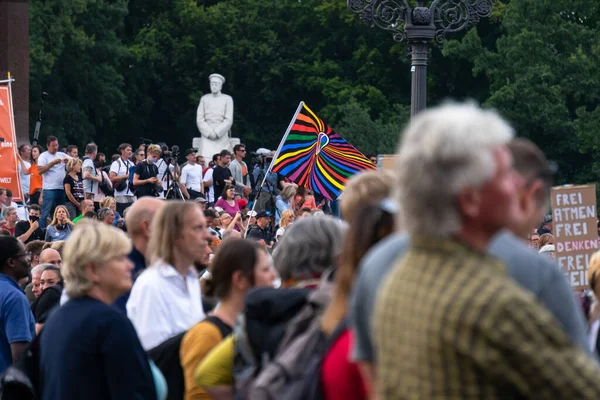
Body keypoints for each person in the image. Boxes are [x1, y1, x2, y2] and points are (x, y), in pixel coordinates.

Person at [369, 103, 600, 399]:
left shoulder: (395, 276)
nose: (518, 183)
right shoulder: (496, 305)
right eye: (505, 173)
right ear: (469, 200)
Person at [39, 222, 159, 400]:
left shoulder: (57, 317)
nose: (130, 266)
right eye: (120, 258)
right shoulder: (110, 323)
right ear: (92, 269)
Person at [182, 239, 275, 400]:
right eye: (265, 270)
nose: (273, 277)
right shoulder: (206, 334)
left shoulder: (253, 325)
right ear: (240, 279)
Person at [127, 201, 209, 350]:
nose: (207, 236)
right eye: (198, 228)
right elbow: (155, 357)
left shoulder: (190, 279)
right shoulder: (151, 286)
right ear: (175, 235)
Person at [113, 197, 165, 313]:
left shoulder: (163, 264)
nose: (172, 230)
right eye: (165, 222)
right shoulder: (121, 274)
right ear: (147, 228)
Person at [0, 236, 35, 374]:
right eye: (25, 255)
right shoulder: (14, 298)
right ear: (11, 262)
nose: (29, 260)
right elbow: (20, 355)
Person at [195, 73, 234, 162]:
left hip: (221, 135)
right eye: (212, 84)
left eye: (216, 84)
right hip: (207, 135)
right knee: (204, 159)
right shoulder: (204, 98)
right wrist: (209, 133)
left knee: (224, 158)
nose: (214, 86)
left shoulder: (227, 99)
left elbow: (228, 119)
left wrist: (217, 133)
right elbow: (200, 119)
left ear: (221, 86)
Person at [37, 136, 70, 229]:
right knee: (45, 212)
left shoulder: (61, 155)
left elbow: (75, 162)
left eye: (57, 145)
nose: (56, 148)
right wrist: (53, 163)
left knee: (63, 212)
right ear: (47, 146)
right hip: (49, 189)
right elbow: (39, 171)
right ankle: (42, 232)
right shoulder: (44, 156)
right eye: (53, 146)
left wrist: (70, 162)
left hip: (61, 188)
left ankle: (62, 230)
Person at [109, 143, 135, 215]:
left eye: (131, 150)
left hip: (131, 193)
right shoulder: (116, 163)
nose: (130, 152)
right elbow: (111, 178)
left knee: (131, 214)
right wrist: (126, 176)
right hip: (120, 193)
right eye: (128, 150)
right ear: (122, 151)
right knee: (121, 214)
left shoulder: (131, 164)